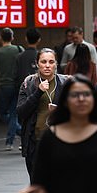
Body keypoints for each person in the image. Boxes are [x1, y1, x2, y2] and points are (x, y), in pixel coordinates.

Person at [17, 48, 69, 179]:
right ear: (37, 63)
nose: (47, 65)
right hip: (35, 142)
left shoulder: (66, 83)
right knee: (37, 184)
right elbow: (21, 112)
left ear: (56, 64)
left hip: (59, 142)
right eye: (43, 61)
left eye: (51, 62)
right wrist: (38, 92)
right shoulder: (28, 83)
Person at [0, 27, 23, 150]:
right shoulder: (19, 50)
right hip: (17, 85)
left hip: (4, 85)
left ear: (0, 38)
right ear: (12, 37)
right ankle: (21, 134)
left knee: (3, 113)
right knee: (14, 113)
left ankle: (10, 140)